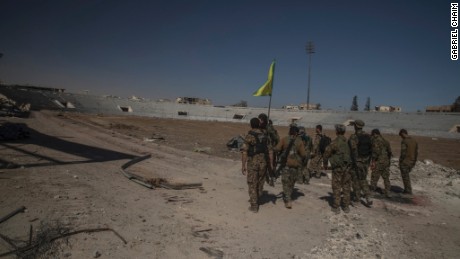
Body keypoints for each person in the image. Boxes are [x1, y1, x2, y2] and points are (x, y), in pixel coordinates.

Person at [241, 117, 273, 213]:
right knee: (260, 181)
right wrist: (271, 164)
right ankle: (257, 197)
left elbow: (244, 152)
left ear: (251, 125)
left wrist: (243, 165)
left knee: (252, 183)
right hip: (263, 163)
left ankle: (254, 205)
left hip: (253, 163)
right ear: (259, 124)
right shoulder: (265, 135)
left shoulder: (249, 136)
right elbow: (270, 151)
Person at [273, 125, 306, 209]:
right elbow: (303, 154)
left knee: (285, 182)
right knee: (291, 182)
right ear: (297, 133)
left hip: (286, 165)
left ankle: (287, 199)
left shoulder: (284, 139)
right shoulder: (299, 141)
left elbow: (276, 149)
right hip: (295, 166)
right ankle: (288, 196)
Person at [323, 124, 352, 214]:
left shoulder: (335, 142)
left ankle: (336, 206)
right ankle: (346, 206)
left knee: (336, 186)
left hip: (338, 169)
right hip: (347, 168)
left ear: (337, 132)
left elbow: (326, 153)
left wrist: (325, 164)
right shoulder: (347, 142)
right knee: (346, 186)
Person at [348, 119, 373, 206]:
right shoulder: (368, 136)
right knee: (362, 179)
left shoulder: (354, 137)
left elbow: (353, 150)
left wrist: (354, 162)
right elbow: (371, 150)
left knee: (356, 180)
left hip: (357, 162)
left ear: (355, 126)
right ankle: (366, 197)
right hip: (366, 162)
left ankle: (358, 199)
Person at [370, 129, 393, 197]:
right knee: (386, 177)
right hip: (386, 161)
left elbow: (375, 152)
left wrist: (373, 162)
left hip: (378, 161)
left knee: (374, 176)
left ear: (374, 134)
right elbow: (390, 152)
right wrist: (388, 160)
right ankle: (387, 191)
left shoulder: (376, 141)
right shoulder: (385, 141)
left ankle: (372, 191)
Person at [398, 129, 418, 195]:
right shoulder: (414, 140)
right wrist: (414, 161)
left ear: (403, 134)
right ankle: (407, 190)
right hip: (411, 161)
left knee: (405, 177)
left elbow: (403, 153)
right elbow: (416, 152)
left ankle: (408, 191)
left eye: (401, 135)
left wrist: (400, 161)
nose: (401, 137)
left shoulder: (404, 141)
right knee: (406, 176)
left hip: (405, 162)